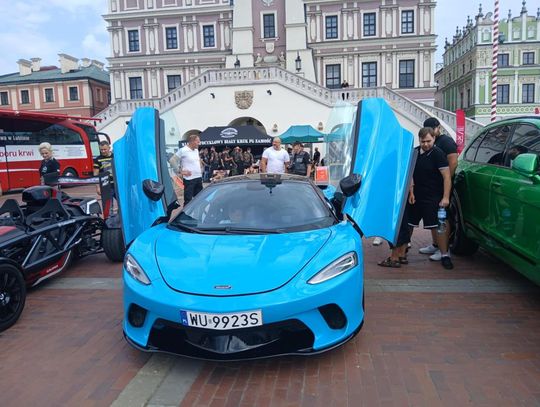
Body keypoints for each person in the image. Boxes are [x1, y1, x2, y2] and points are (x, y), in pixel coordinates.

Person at [408, 127, 453, 270]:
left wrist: (445, 197)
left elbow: (447, 177)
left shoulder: (438, 154)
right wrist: (411, 192)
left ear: (434, 139)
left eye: (429, 141)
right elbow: (410, 174)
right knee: (408, 223)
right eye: (423, 141)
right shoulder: (414, 152)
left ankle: (445, 254)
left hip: (434, 196)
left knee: (439, 225)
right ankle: (402, 251)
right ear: (419, 140)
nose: (426, 144)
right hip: (416, 195)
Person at [419, 117, 458, 262]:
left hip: (442, 188)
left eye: (433, 129)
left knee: (442, 219)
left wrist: (445, 184)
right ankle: (436, 245)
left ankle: (444, 249)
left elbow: (453, 162)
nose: (427, 142)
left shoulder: (446, 142)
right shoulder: (430, 143)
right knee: (432, 218)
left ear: (438, 128)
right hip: (431, 188)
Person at [169, 134, 203, 206]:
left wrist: (200, 167)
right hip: (189, 180)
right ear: (192, 141)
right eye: (197, 142)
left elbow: (197, 160)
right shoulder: (183, 150)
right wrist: (180, 171)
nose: (199, 143)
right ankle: (185, 213)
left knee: (200, 199)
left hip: (198, 178)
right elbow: (172, 160)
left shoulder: (196, 150)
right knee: (188, 201)